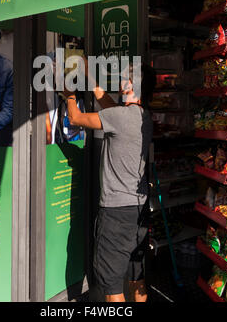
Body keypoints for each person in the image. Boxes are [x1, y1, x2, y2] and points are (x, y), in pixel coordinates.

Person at [63, 60, 156, 302]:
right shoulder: (144, 116)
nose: (122, 82)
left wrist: (68, 94)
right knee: (136, 276)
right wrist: (90, 77)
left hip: (116, 213)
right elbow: (110, 106)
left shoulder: (120, 117)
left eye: (127, 79)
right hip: (139, 209)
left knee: (112, 285)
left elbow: (74, 119)